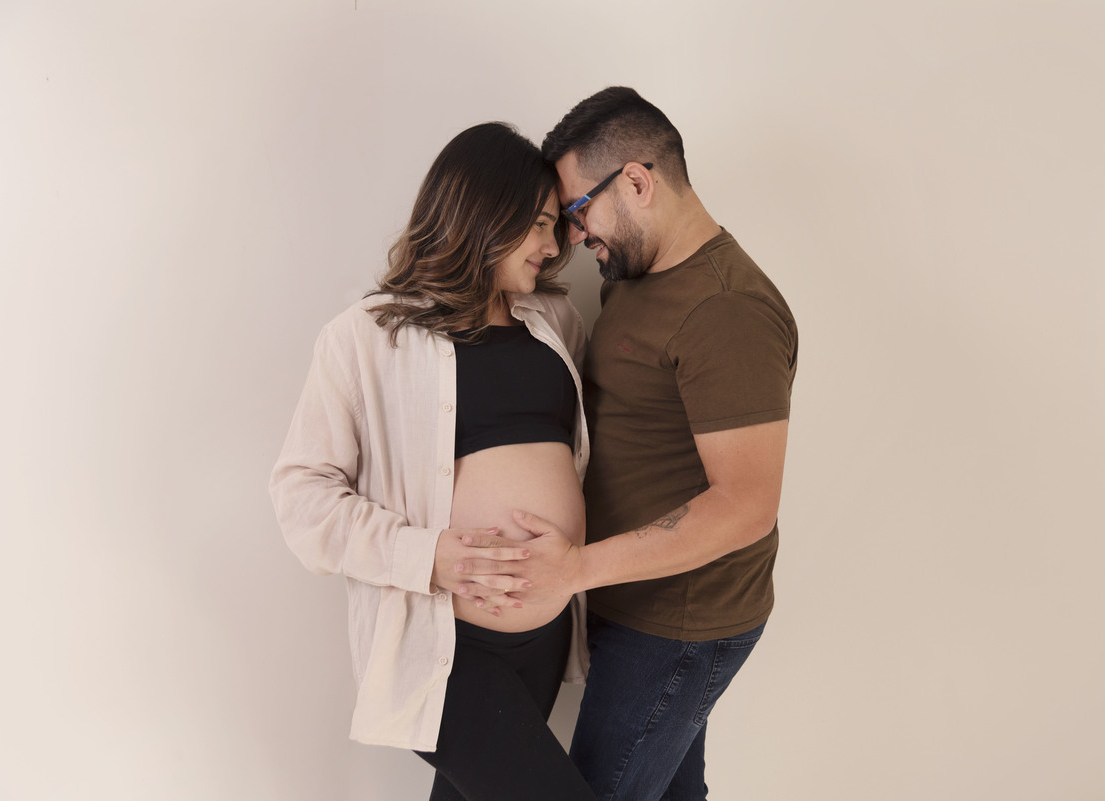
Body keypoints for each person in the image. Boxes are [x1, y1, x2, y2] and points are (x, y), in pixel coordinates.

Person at [469, 87, 798, 800]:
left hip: (678, 625)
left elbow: (746, 506)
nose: (573, 239)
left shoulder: (727, 310)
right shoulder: (639, 273)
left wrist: (572, 571)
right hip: (635, 611)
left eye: (578, 212)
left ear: (638, 182)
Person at [269, 122, 597, 801]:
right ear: (485, 213)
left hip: (541, 641)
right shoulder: (366, 337)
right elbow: (302, 496)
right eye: (539, 224)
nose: (554, 245)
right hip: (444, 648)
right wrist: (428, 555)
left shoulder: (555, 323)